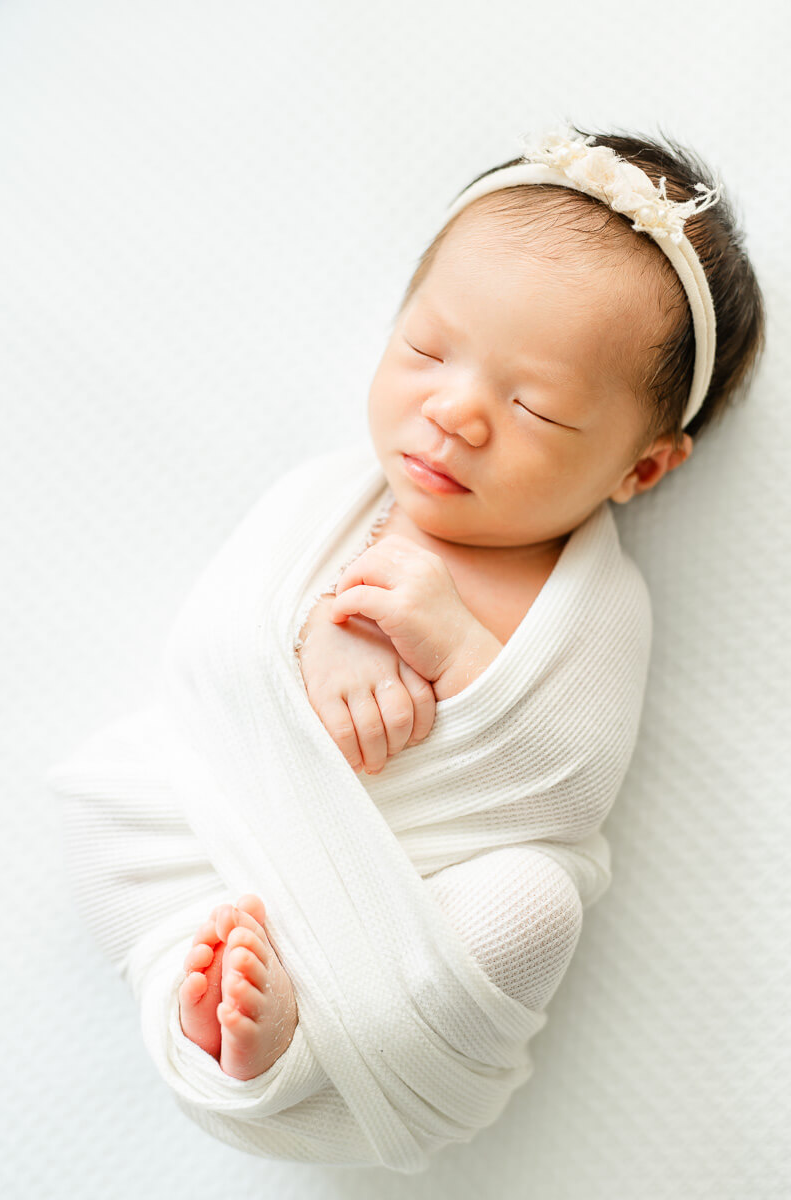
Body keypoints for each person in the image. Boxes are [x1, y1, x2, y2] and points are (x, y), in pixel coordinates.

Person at [171, 123, 766, 1085]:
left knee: (533, 908)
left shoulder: (597, 601)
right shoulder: (323, 507)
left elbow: (568, 783)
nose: (454, 411)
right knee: (105, 794)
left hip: (427, 892)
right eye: (426, 348)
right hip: (242, 836)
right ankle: (199, 1001)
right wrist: (319, 639)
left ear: (642, 467)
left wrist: (456, 651)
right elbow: (217, 650)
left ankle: (306, 1034)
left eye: (534, 407)